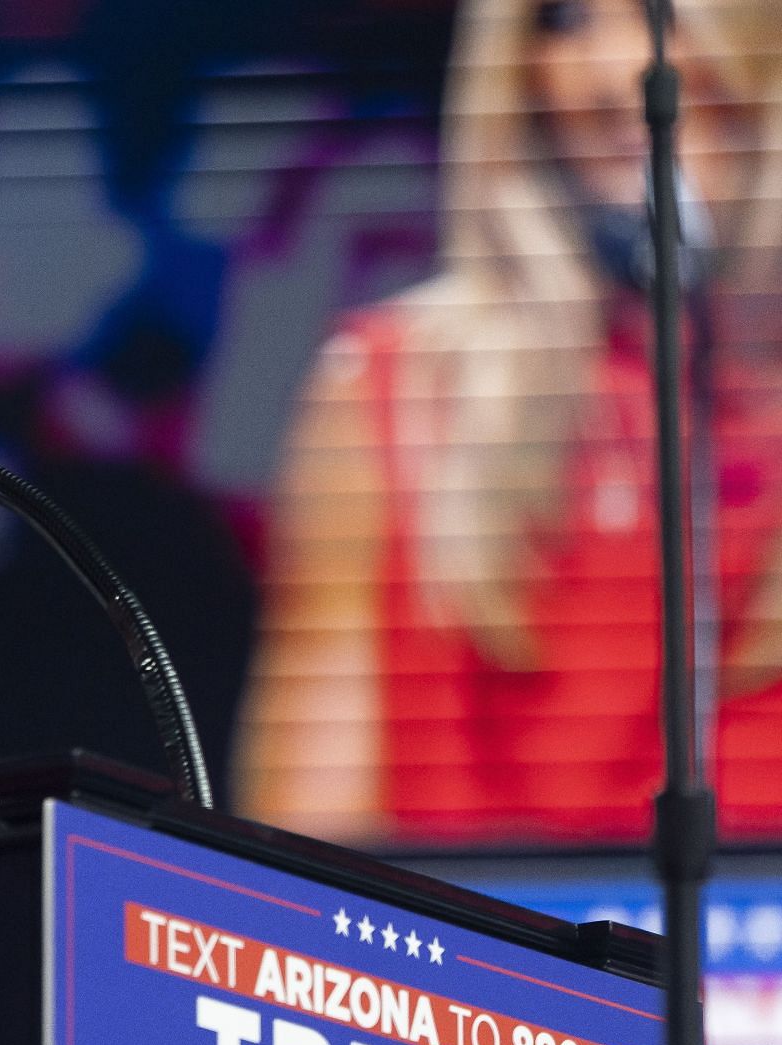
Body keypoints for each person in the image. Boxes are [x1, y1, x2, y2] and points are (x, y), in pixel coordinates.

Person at [237, 0, 782, 845]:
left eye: (663, 13)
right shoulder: (389, 390)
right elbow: (303, 880)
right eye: (565, 20)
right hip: (475, 970)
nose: (615, 73)